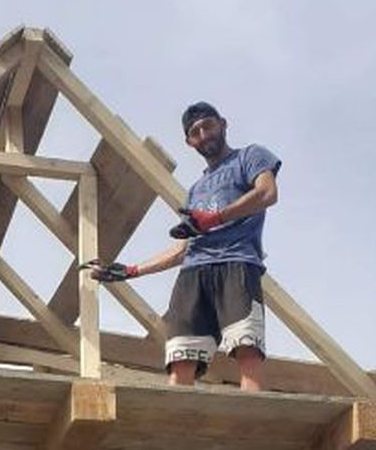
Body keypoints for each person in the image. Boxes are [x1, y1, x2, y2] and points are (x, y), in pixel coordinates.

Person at [84, 102, 280, 391]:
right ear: (190, 142)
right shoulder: (195, 191)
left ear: (223, 124)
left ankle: (249, 423)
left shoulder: (250, 156)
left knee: (246, 348)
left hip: (237, 263)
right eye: (195, 132)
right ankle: (178, 423)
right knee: (181, 359)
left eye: (208, 126)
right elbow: (182, 249)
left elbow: (266, 193)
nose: (204, 134)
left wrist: (215, 218)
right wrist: (131, 270)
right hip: (194, 273)